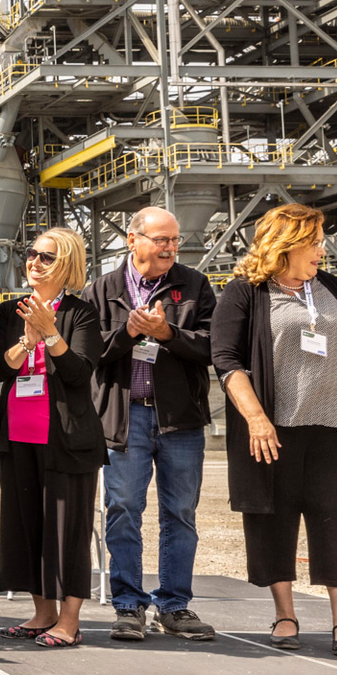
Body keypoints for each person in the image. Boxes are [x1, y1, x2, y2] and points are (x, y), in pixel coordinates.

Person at [210, 203, 337, 659]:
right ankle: (285, 614)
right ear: (286, 245)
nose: (323, 251)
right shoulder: (245, 292)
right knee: (274, 519)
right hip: (273, 428)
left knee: (333, 521)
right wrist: (256, 418)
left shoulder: (332, 288)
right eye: (315, 242)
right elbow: (227, 361)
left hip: (332, 427)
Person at [84, 206, 218, 643]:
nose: (170, 248)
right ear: (132, 239)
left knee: (180, 513)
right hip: (124, 418)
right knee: (123, 509)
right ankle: (127, 605)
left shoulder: (193, 285)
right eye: (162, 240)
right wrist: (128, 332)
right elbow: (88, 354)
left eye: (175, 241)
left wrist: (167, 335)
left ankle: (174, 605)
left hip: (179, 420)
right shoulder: (100, 290)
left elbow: (214, 347)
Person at [0, 228, 105, 648]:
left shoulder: (82, 313)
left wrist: (50, 334)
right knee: (26, 526)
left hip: (67, 440)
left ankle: (69, 622)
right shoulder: (9, 312)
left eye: (46, 257)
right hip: (17, 435)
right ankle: (42, 612)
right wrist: (27, 340)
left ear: (67, 265)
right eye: (31, 254)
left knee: (67, 529)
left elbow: (78, 374)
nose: (34, 262)